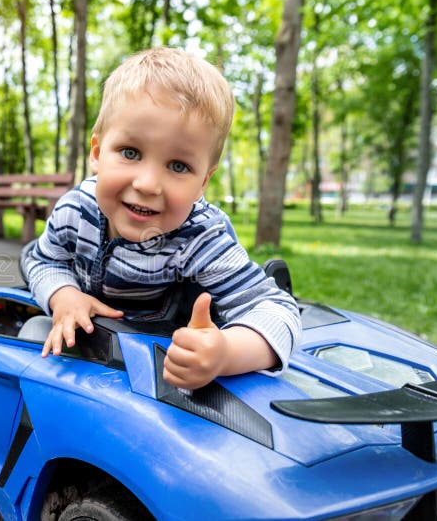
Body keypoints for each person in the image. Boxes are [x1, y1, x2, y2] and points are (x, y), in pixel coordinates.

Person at [23, 47, 301, 390]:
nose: (148, 184)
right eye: (130, 153)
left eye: (178, 166)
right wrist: (62, 295)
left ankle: (248, 280)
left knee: (231, 298)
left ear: (203, 182)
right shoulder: (75, 209)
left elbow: (278, 310)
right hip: (100, 343)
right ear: (97, 153)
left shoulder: (198, 236)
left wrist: (225, 353)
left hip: (161, 330)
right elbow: (42, 260)